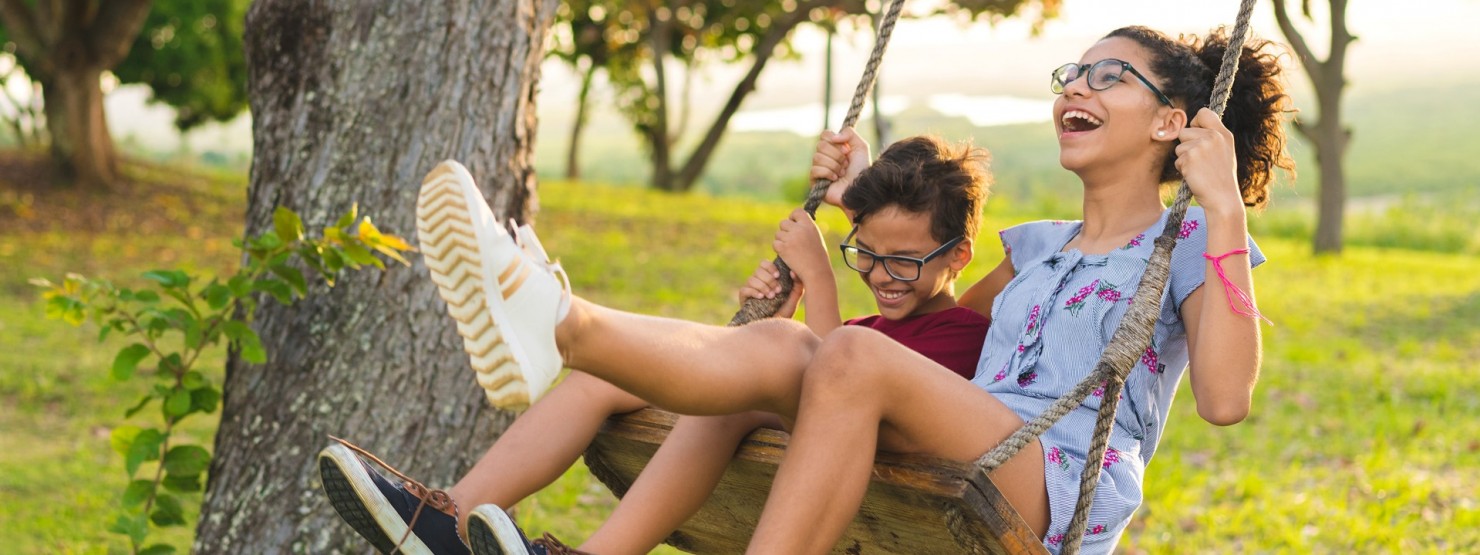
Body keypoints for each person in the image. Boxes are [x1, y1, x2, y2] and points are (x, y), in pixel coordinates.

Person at [318, 135, 996, 555]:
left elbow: (841, 394)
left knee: (767, 361)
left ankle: (551, 317)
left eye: (903, 261)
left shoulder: (958, 337)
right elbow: (833, 357)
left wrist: (819, 276)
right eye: (864, 256)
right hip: (816, 428)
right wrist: (775, 311)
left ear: (958, 254)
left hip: (885, 482)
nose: (881, 276)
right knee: (600, 379)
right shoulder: (878, 325)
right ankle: (450, 514)